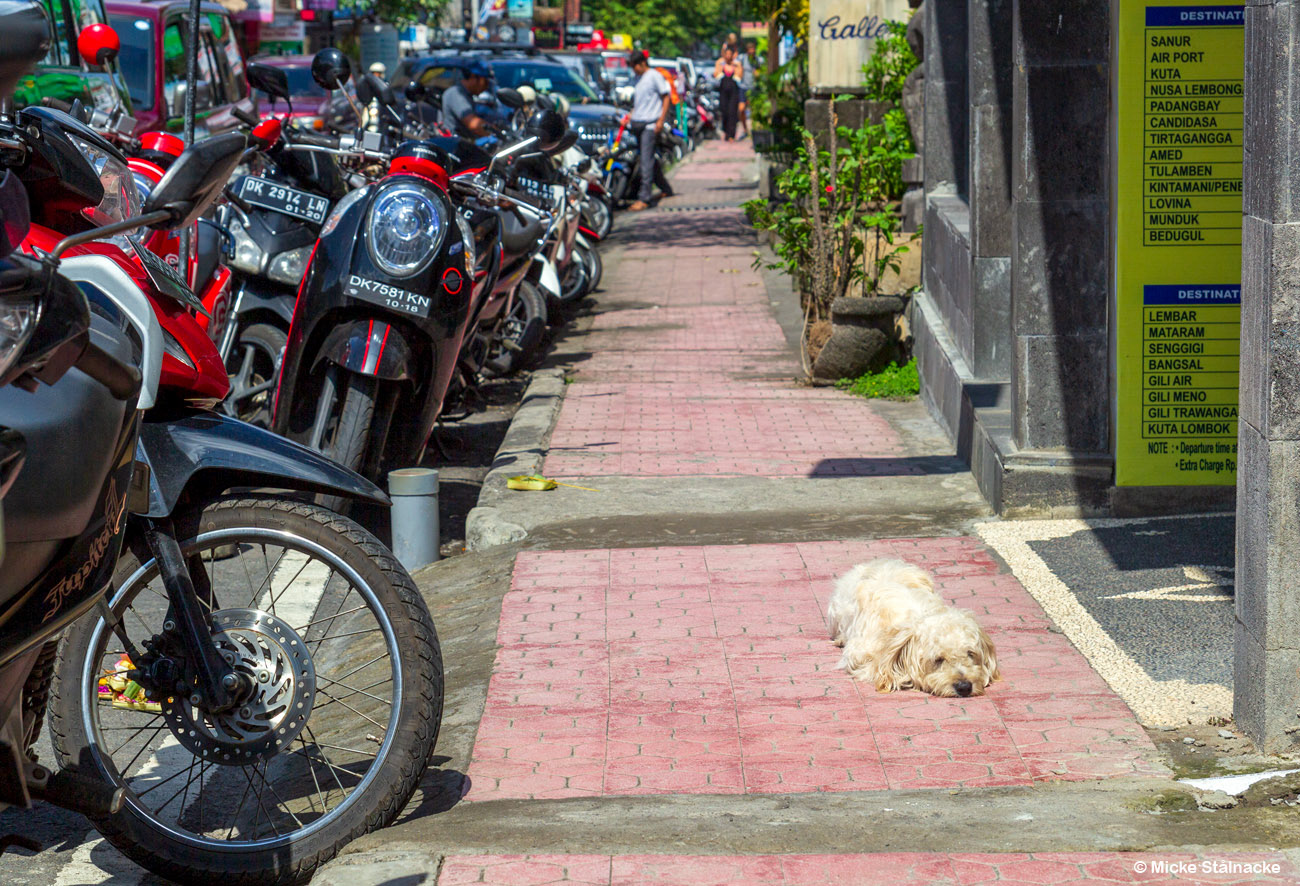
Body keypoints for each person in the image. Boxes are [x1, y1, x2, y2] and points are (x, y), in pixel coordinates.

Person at [627, 49, 675, 211]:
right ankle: (666, 189)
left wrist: (661, 120)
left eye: (635, 66)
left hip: (650, 124)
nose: (634, 70)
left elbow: (666, 96)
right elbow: (639, 103)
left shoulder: (654, 76)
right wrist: (630, 115)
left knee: (646, 162)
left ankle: (644, 198)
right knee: (647, 159)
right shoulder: (637, 79)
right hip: (637, 123)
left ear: (642, 63)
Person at [442, 59, 493, 138]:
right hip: (454, 144)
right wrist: (496, 134)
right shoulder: (456, 93)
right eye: (485, 81)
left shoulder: (467, 95)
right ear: (473, 77)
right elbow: (474, 124)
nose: (487, 86)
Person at [714, 43, 741, 141]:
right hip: (723, 91)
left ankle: (731, 135)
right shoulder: (720, 63)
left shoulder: (736, 64)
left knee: (732, 113)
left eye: (730, 54)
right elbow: (716, 74)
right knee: (724, 112)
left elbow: (739, 76)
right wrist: (721, 68)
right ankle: (725, 131)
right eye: (727, 54)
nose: (728, 56)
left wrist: (735, 66)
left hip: (733, 91)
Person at [738, 41, 755, 138]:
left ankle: (753, 129)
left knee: (753, 110)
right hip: (743, 87)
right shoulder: (742, 58)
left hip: (753, 87)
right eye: (750, 50)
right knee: (741, 109)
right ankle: (745, 129)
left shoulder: (757, 60)